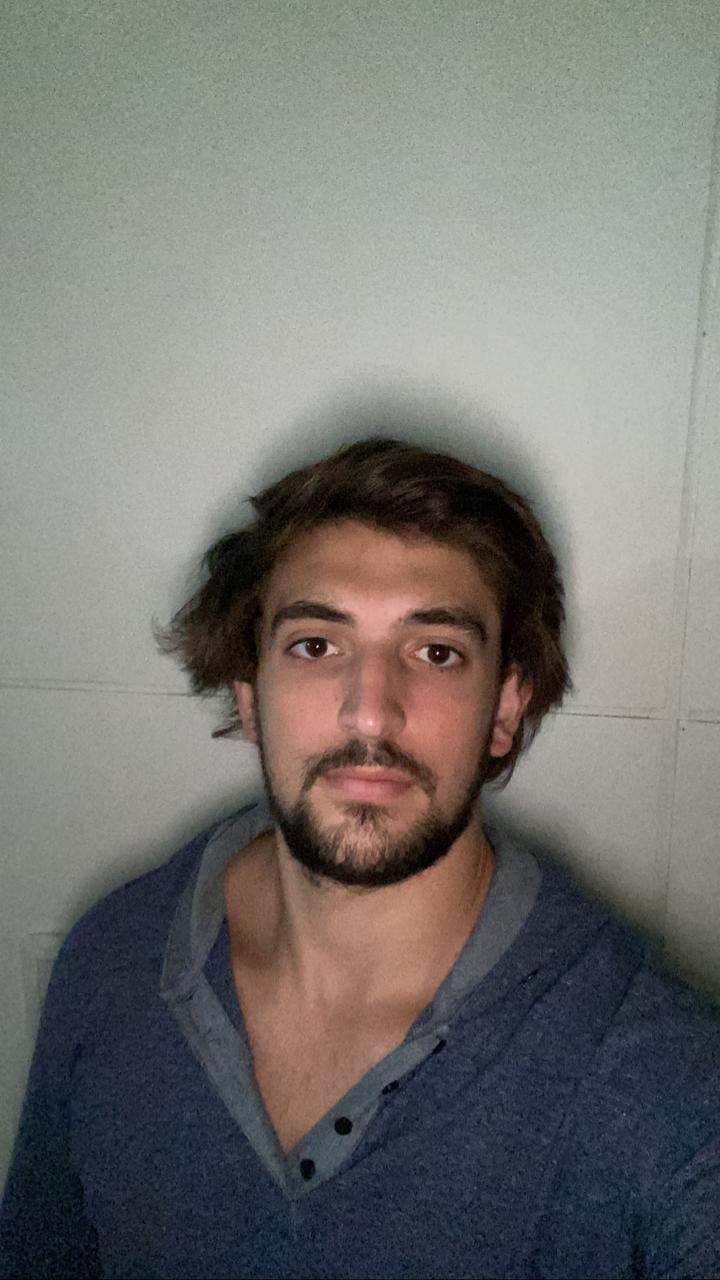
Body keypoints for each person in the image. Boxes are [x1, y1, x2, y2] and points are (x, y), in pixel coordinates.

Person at [1, 436, 719, 1280]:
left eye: (436, 651)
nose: (371, 714)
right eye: (316, 645)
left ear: (504, 709)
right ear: (250, 695)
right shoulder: (110, 961)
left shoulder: (659, 1080)